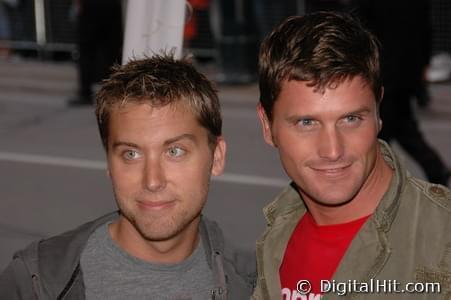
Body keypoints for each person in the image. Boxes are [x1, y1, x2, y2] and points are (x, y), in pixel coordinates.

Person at [0, 54, 255, 299]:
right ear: (109, 162)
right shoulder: (37, 282)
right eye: (131, 154)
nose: (152, 181)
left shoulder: (256, 285)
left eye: (174, 151)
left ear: (217, 157)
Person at [252, 12, 451, 299]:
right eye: (306, 123)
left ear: (378, 113)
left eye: (351, 119)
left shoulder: (442, 244)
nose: (333, 150)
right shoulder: (275, 237)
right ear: (267, 125)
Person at [353, 0, 450, 186]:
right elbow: (425, 30)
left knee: (384, 128)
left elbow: (362, 28)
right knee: (401, 126)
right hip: (407, 69)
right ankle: (435, 168)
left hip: (384, 70)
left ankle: (372, 177)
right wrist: (423, 64)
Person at [68, 0, 123, 106]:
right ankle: (115, 91)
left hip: (92, 7)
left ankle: (86, 93)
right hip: (111, 5)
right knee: (111, 50)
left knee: (87, 50)